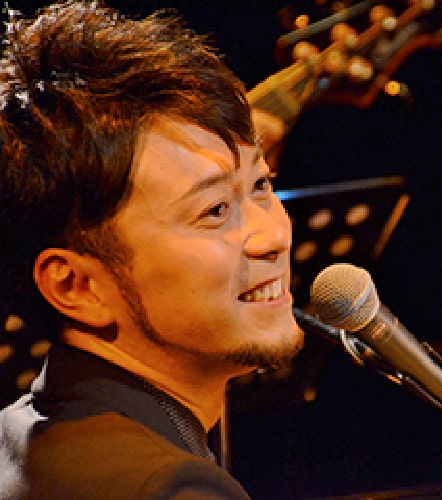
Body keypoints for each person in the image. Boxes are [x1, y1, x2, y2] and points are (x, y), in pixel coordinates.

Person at [0, 1, 303, 497]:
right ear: (76, 286)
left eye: (261, 185)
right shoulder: (171, 488)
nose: (273, 236)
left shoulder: (17, 440)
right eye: (215, 210)